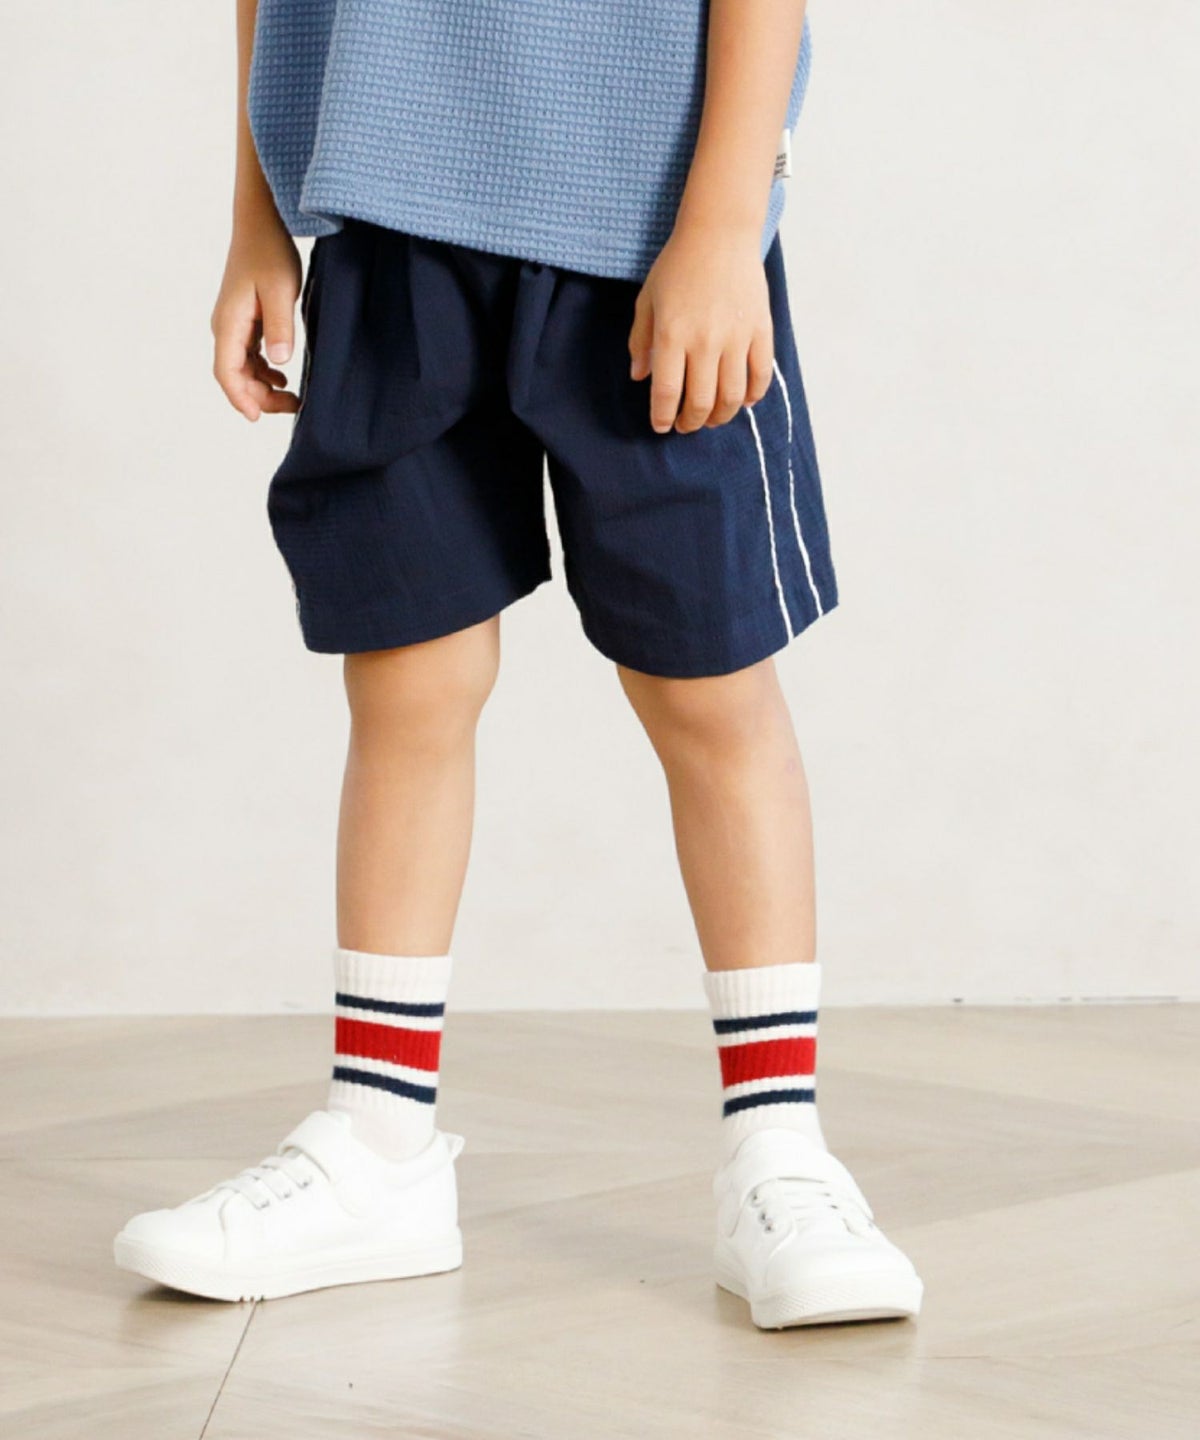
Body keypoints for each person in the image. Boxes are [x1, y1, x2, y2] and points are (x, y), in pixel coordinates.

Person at [113, 0, 923, 1330]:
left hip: (644, 218)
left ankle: (779, 1146)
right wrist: (259, 214)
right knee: (406, 675)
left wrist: (725, 223)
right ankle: (378, 1137)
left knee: (709, 685)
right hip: (385, 214)